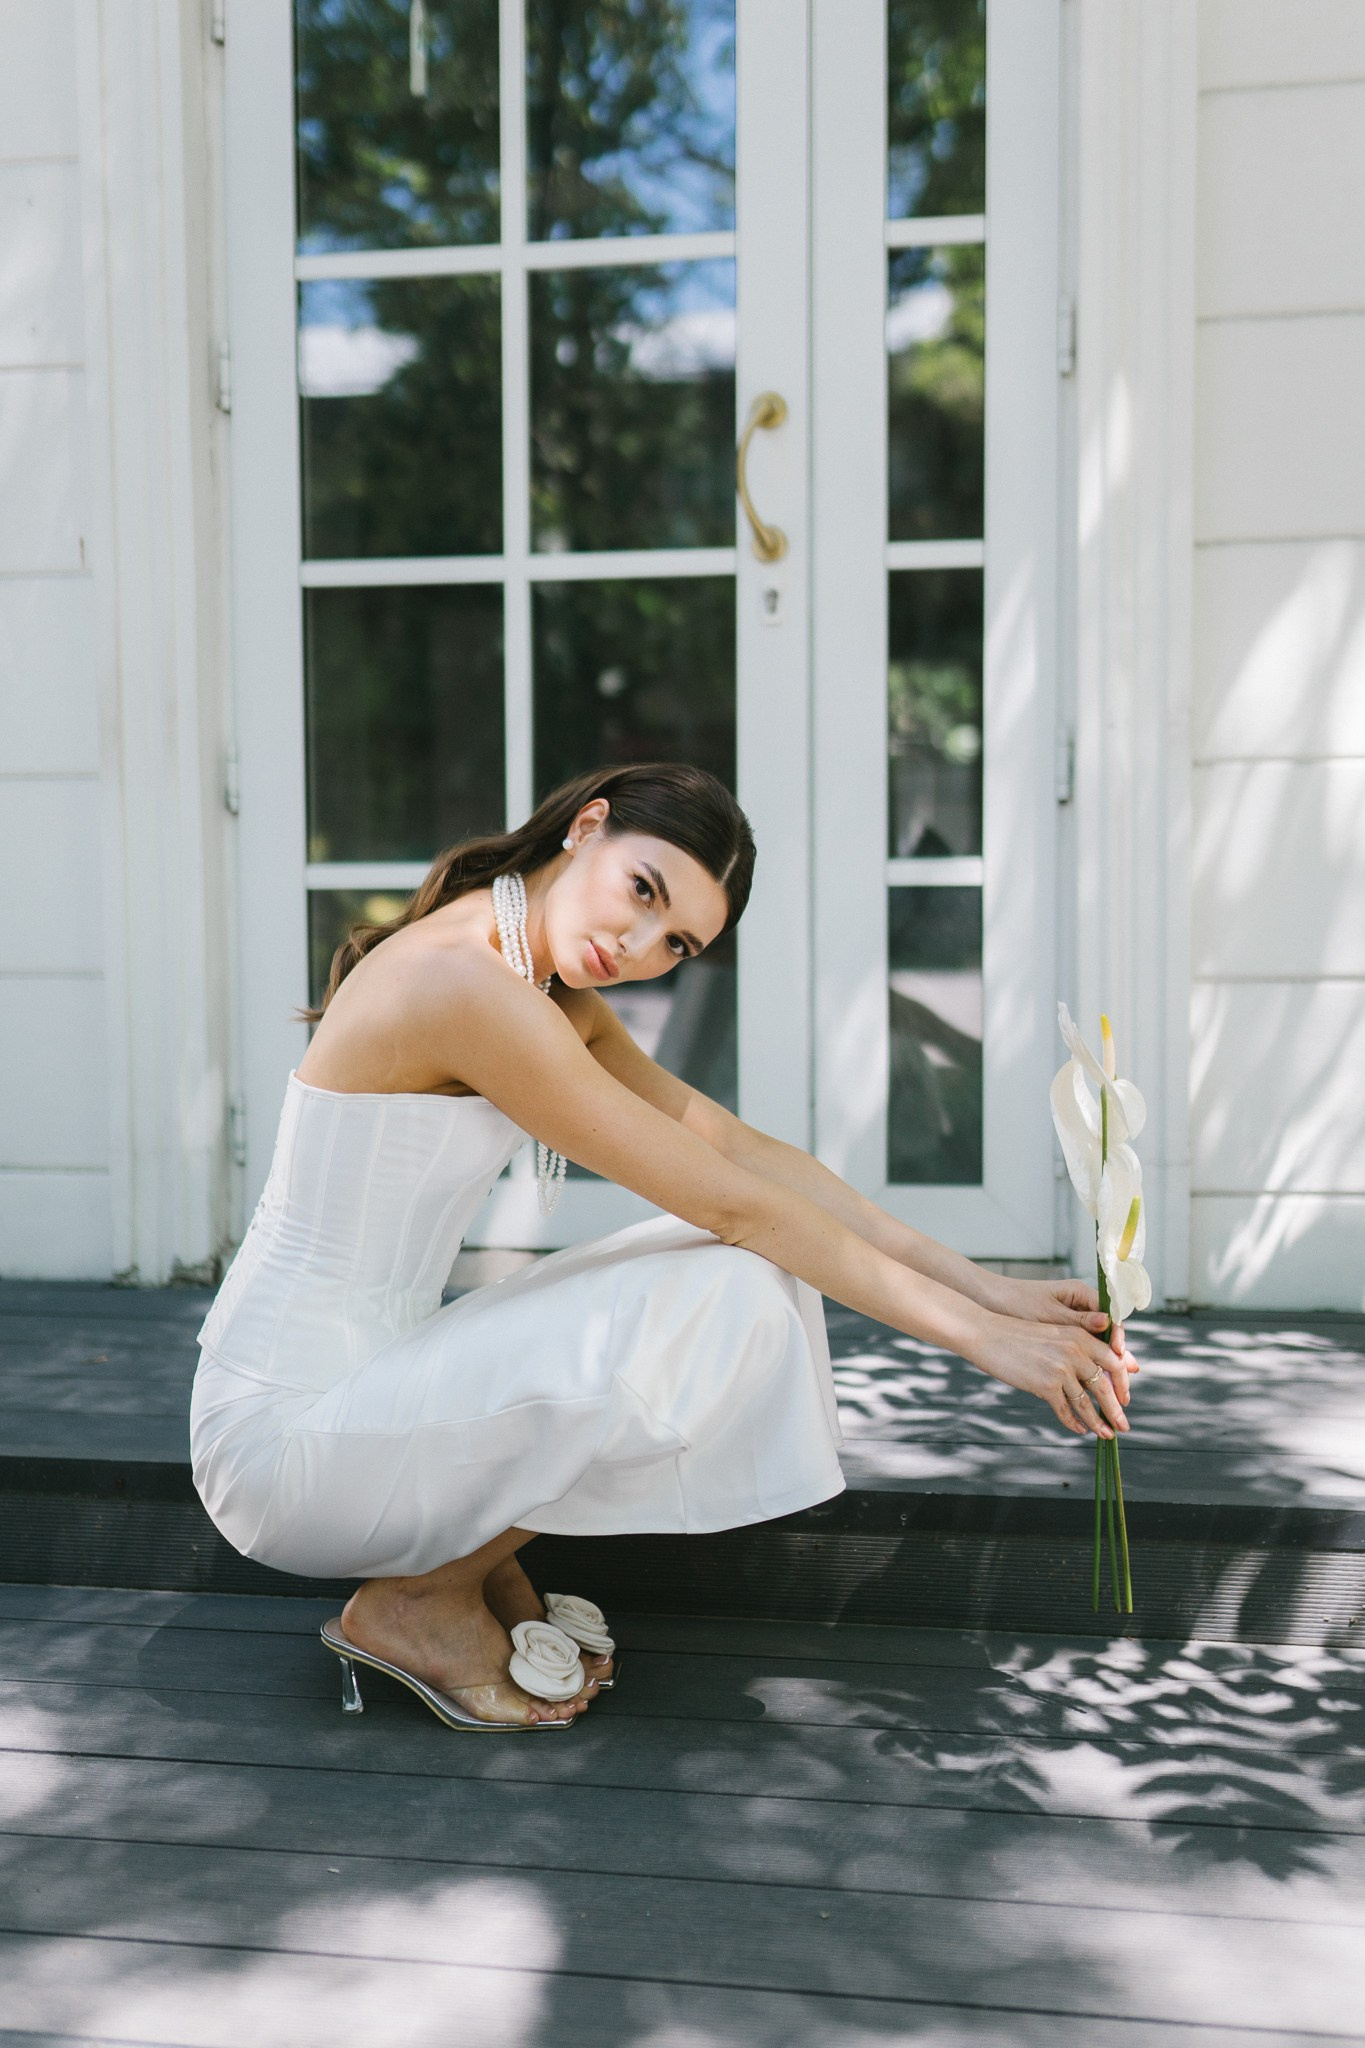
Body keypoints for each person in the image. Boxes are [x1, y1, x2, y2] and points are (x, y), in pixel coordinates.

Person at [191, 761, 1132, 1731]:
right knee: (729, 1286)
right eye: (643, 890)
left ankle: (462, 1555)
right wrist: (982, 1341)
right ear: (585, 827)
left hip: (374, 1382)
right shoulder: (461, 982)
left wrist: (988, 1288)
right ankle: (423, 1594)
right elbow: (738, 1205)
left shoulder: (541, 989)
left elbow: (745, 1152)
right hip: (280, 1439)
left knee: (745, 1268)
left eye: (678, 942)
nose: (639, 947)